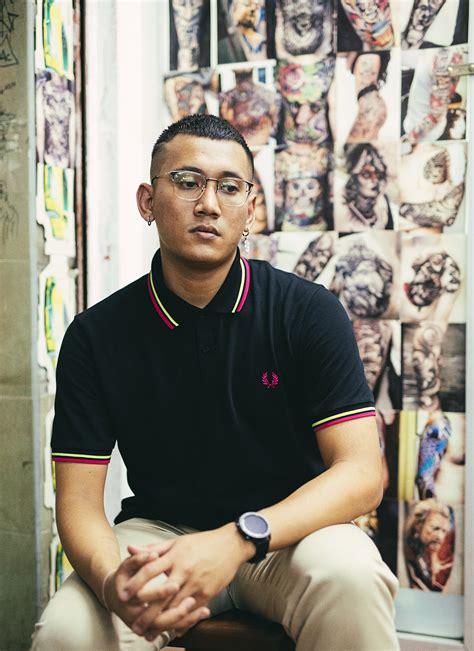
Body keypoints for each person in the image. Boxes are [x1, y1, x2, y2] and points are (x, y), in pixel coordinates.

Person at [31, 114, 399, 651]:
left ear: (250, 208)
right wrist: (114, 585)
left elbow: (362, 474)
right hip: (160, 536)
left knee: (352, 579)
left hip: (288, 533)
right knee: (68, 633)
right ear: (147, 201)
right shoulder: (96, 335)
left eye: (229, 187)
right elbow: (79, 504)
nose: (208, 204)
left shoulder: (307, 311)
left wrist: (238, 538)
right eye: (187, 182)